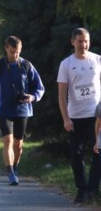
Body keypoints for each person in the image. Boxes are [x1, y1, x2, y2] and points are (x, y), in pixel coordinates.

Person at [0, 36, 44, 186]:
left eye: (17, 52)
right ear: (6, 49)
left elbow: (39, 87)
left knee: (18, 144)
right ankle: (10, 172)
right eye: (12, 52)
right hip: (4, 110)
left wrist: (32, 97)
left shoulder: (26, 65)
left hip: (23, 110)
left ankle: (15, 167)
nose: (14, 55)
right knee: (8, 141)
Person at [58, 28, 101, 204]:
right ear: (73, 42)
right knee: (76, 154)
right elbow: (61, 94)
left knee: (98, 152)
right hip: (75, 116)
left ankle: (93, 189)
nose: (83, 45)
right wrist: (66, 118)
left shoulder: (97, 60)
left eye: (86, 41)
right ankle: (81, 189)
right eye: (80, 41)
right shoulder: (66, 64)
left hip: (96, 115)